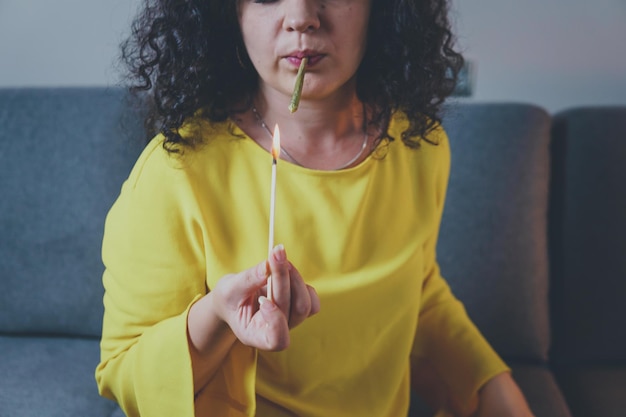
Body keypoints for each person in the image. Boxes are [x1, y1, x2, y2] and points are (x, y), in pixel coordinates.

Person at [95, 0, 536, 416]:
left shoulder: (419, 145)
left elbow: (417, 295)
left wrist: (493, 388)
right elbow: (123, 372)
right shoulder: (177, 170)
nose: (302, 17)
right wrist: (218, 320)